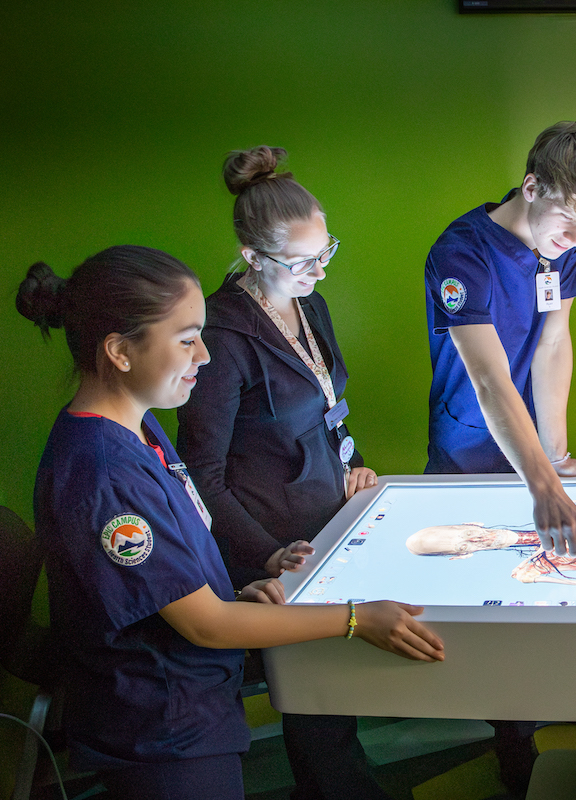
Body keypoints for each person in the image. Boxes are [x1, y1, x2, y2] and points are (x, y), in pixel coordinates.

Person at [18, 246, 443, 800]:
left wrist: (237, 591)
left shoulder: (139, 430)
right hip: (163, 728)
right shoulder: (104, 473)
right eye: (187, 339)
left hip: (191, 702)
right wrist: (358, 619)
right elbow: (206, 626)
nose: (205, 357)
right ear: (120, 351)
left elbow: (175, 574)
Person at [174, 146, 392, 800]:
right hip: (271, 548)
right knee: (316, 705)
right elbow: (203, 480)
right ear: (252, 258)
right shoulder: (223, 338)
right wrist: (267, 556)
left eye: (327, 253)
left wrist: (352, 464)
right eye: (302, 262)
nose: (319, 272)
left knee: (334, 698)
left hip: (328, 522)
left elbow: (327, 407)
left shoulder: (310, 306)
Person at [425, 121, 576, 569]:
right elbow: (488, 378)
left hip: (535, 446)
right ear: (532, 187)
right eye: (570, 222)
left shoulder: (562, 243)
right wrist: (546, 489)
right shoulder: (459, 255)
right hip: (469, 446)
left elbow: (552, 344)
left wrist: (554, 457)